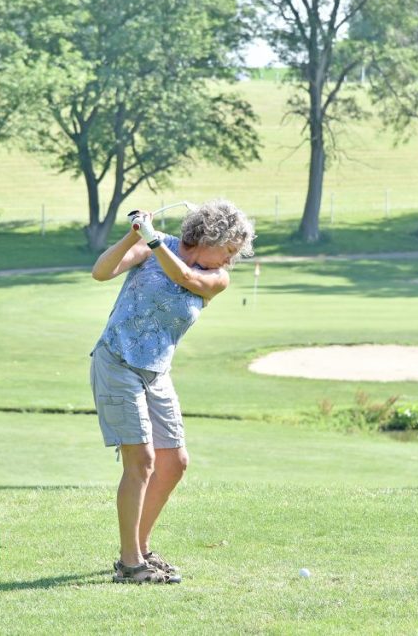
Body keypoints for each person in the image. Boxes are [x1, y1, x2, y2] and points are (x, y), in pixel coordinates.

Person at [89, 199, 255, 584]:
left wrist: (152, 242)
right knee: (142, 461)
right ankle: (131, 564)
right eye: (228, 251)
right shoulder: (153, 244)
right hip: (116, 362)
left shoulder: (216, 278)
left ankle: (140, 548)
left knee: (174, 462)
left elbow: (185, 279)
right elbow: (101, 272)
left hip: (156, 372)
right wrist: (133, 235)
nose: (229, 261)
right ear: (209, 237)